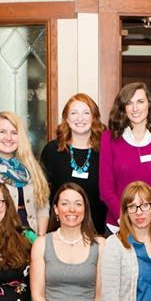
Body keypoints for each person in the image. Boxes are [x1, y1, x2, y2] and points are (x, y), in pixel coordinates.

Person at [99, 82, 151, 231]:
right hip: (119, 226)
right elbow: (106, 190)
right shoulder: (109, 138)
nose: (135, 108)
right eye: (129, 103)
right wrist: (125, 220)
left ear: (149, 104)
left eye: (140, 101)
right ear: (123, 107)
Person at [39, 93, 107, 232]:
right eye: (74, 113)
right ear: (67, 119)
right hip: (58, 232)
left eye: (86, 113)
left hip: (97, 233)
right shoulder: (52, 151)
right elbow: (41, 195)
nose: (80, 118)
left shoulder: (105, 151)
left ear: (94, 118)